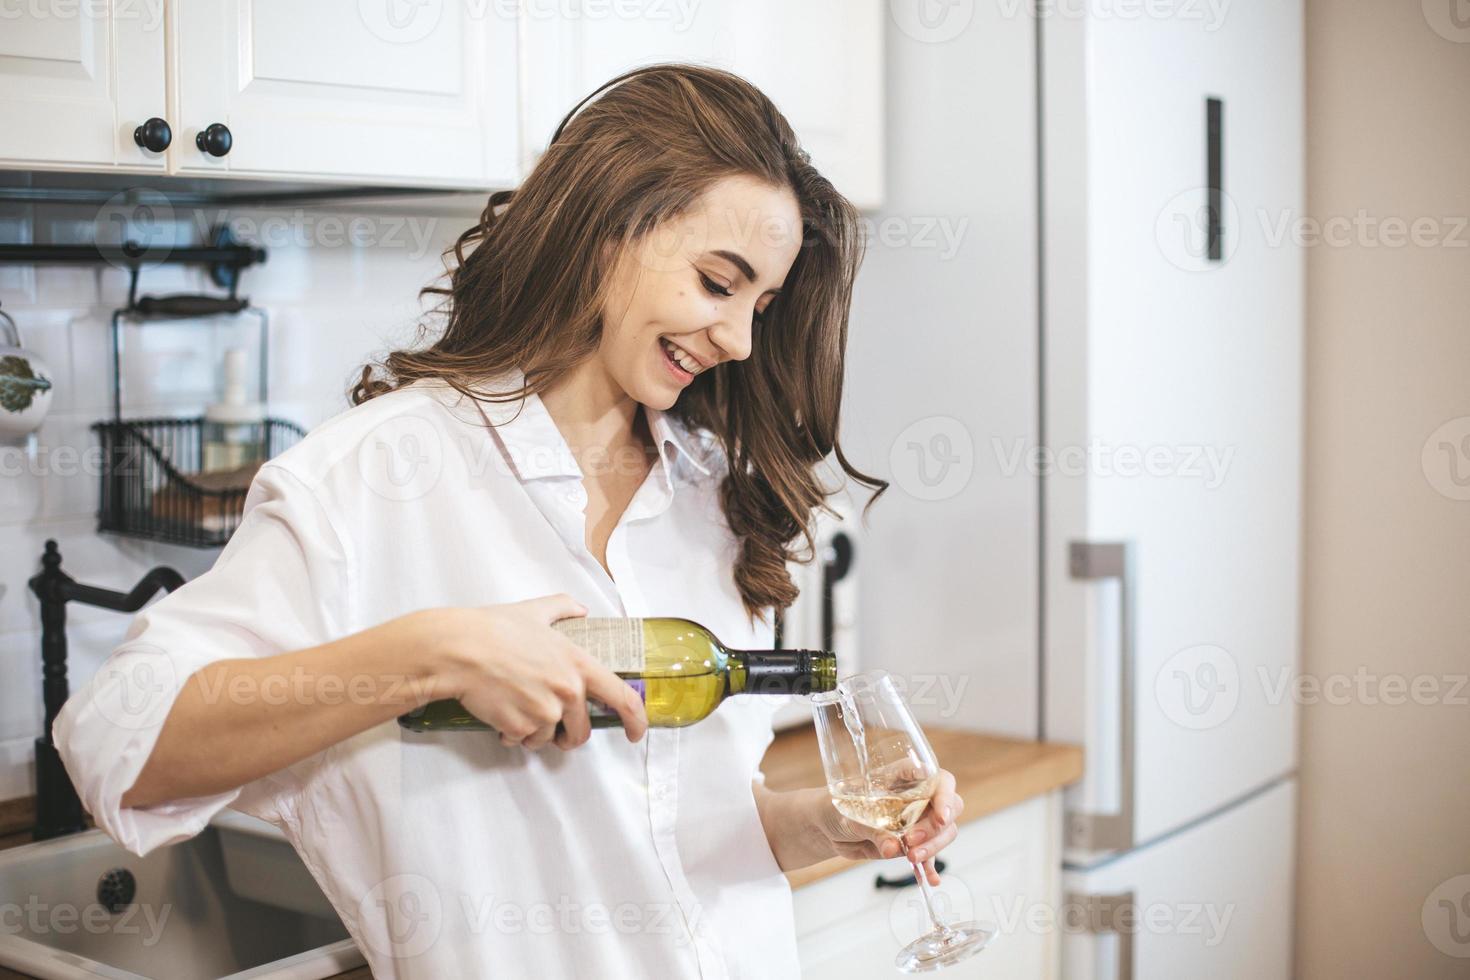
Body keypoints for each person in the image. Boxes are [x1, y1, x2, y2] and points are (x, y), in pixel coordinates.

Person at [55, 64, 967, 979]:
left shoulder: (716, 496)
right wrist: (432, 655)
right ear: (608, 228)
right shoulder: (374, 479)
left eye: (760, 307)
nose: (739, 340)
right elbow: (114, 746)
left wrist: (823, 825)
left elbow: (672, 827)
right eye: (716, 283)